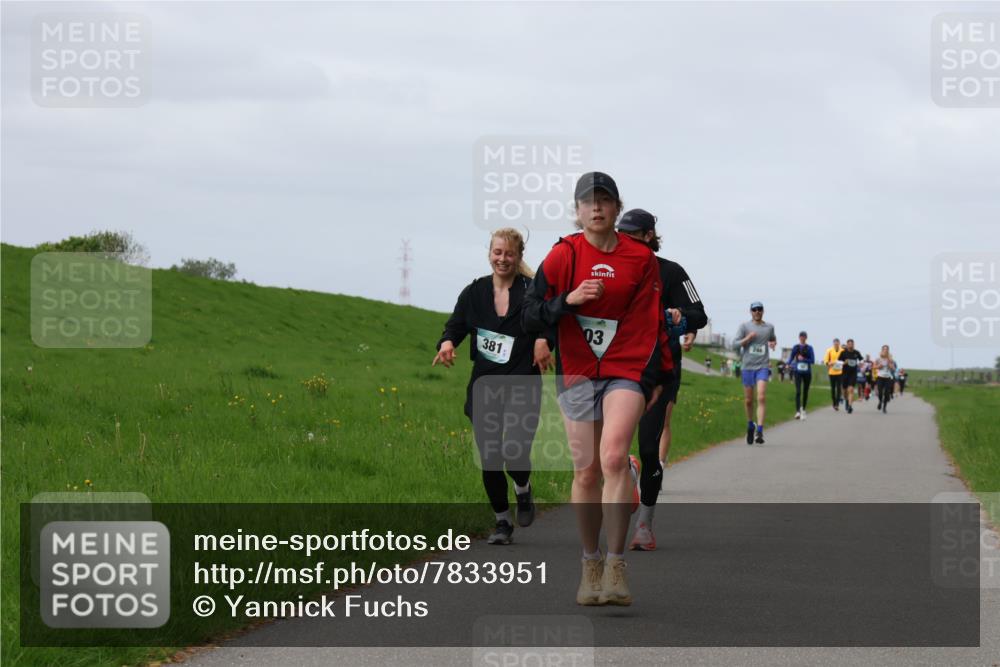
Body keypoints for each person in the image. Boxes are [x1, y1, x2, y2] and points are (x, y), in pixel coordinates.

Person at [523, 172, 670, 606]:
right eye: (588, 202)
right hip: (578, 371)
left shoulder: (640, 259)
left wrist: (658, 376)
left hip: (626, 368)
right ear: (577, 211)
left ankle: (616, 566)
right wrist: (567, 301)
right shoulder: (563, 255)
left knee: (613, 458)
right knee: (586, 471)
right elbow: (529, 314)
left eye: (604, 200)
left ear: (617, 208)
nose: (596, 208)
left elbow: (652, 321)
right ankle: (590, 562)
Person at [433, 228, 553, 545]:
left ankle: (523, 488)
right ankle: (502, 522)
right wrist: (447, 343)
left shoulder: (531, 291)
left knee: (515, 451)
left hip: (523, 383)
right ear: (489, 253)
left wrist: (543, 340)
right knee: (489, 455)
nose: (503, 259)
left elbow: (550, 321)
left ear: (519, 256)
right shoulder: (474, 292)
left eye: (509, 253)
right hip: (485, 384)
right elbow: (455, 325)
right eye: (497, 252)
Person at [615, 208, 708, 552]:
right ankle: (628, 472)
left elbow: (699, 314)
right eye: (621, 237)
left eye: (633, 237)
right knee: (610, 448)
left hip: (659, 370)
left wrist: (680, 317)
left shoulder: (671, 272)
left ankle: (644, 524)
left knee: (649, 447)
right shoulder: (612, 272)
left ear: (649, 236)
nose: (625, 243)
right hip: (618, 370)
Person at [733, 302, 776, 444]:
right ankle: (750, 424)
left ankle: (760, 431)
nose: (757, 311)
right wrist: (747, 339)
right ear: (750, 311)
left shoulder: (769, 327)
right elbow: (734, 344)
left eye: (759, 309)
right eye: (754, 309)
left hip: (762, 366)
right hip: (747, 367)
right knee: (749, 400)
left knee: (761, 397)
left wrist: (773, 343)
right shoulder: (744, 327)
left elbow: (772, 338)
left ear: (763, 311)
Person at [787, 330, 815, 420]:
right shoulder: (796, 347)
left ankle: (803, 409)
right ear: (799, 337)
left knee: (805, 391)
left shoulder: (809, 348)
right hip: (798, 372)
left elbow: (812, 361)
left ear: (806, 338)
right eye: (801, 336)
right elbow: (791, 357)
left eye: (804, 336)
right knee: (798, 391)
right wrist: (787, 364)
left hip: (807, 373)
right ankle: (798, 411)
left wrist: (804, 359)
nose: (802, 338)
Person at [837, 339, 864, 414]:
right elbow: (838, 362)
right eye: (849, 344)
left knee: (851, 390)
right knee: (845, 391)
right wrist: (844, 362)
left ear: (853, 345)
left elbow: (861, 360)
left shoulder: (856, 352)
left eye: (852, 344)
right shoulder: (843, 353)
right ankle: (846, 400)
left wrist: (861, 364)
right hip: (844, 374)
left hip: (853, 374)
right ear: (847, 345)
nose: (851, 345)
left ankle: (850, 406)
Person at [823, 338, 845, 410]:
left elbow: (845, 360)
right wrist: (829, 363)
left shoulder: (842, 350)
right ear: (833, 343)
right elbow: (826, 360)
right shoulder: (829, 350)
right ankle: (834, 401)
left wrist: (842, 363)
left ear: (839, 343)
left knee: (838, 388)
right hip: (831, 372)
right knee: (833, 388)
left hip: (840, 372)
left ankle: (837, 404)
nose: (836, 344)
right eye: (835, 343)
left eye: (837, 343)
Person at [874, 345, 896, 413]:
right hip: (880, 377)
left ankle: (884, 407)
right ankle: (880, 401)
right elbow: (874, 366)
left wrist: (890, 365)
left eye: (886, 349)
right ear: (882, 350)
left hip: (887, 378)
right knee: (880, 392)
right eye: (884, 349)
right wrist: (878, 366)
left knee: (886, 393)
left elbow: (894, 369)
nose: (885, 350)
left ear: (888, 351)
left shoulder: (890, 359)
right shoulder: (878, 358)